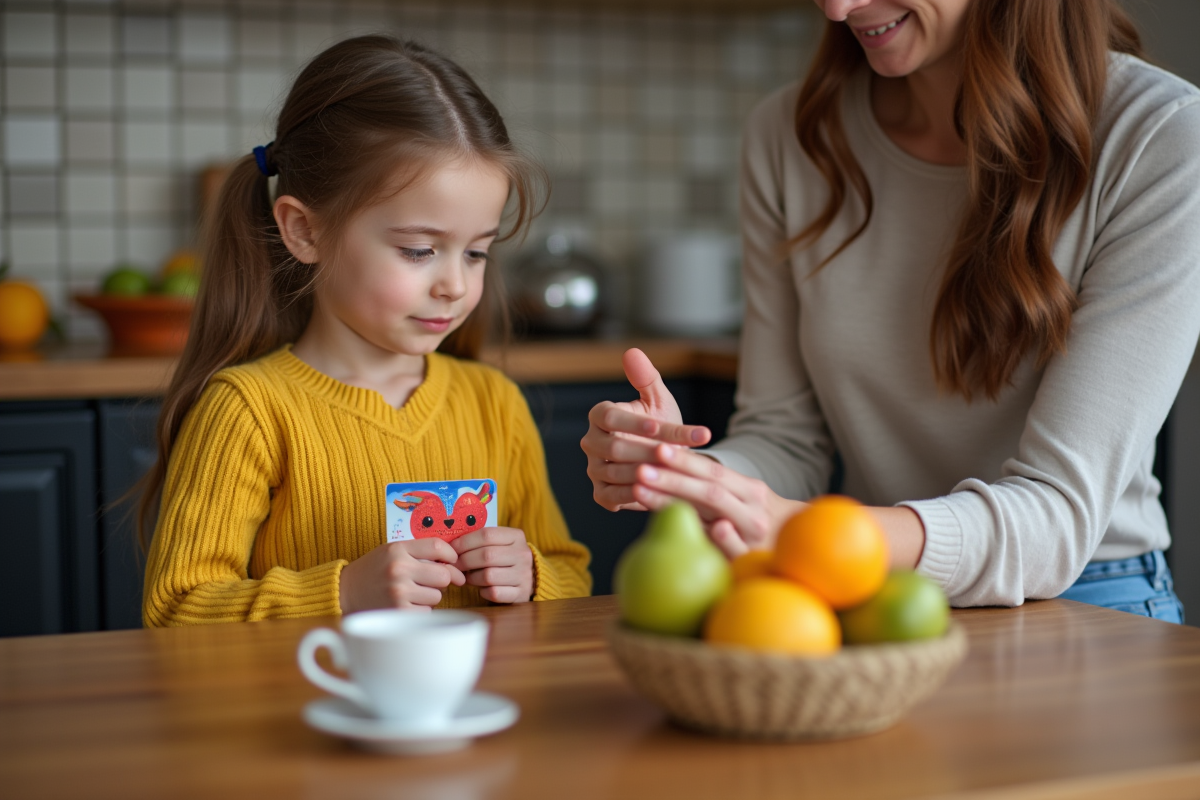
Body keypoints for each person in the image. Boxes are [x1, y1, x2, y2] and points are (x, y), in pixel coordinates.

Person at [582, 0, 1200, 619]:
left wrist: (806, 532)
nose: (837, 7)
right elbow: (785, 440)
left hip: (1089, 598)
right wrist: (685, 472)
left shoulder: (1162, 135)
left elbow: (1056, 521)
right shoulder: (790, 133)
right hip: (865, 585)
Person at [140, 36, 591, 627]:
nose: (454, 284)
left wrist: (533, 575)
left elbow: (573, 574)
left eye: (477, 253)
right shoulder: (249, 412)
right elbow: (176, 609)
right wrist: (344, 592)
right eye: (419, 250)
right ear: (304, 231)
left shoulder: (495, 405)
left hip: (473, 716)